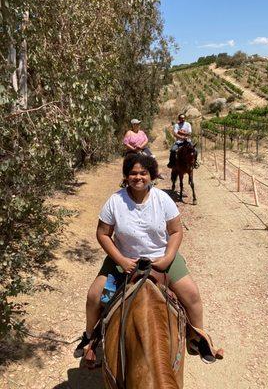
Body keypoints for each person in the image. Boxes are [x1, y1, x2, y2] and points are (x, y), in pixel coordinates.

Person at [74, 153, 204, 359]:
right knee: (95, 296)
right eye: (133, 173)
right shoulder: (115, 201)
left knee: (192, 295)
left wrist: (168, 258)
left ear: (151, 175)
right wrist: (121, 260)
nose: (138, 177)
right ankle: (90, 336)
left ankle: (197, 338)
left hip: (161, 257)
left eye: (143, 173)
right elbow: (103, 234)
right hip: (123, 260)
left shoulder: (163, 199)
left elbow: (176, 231)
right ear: (126, 176)